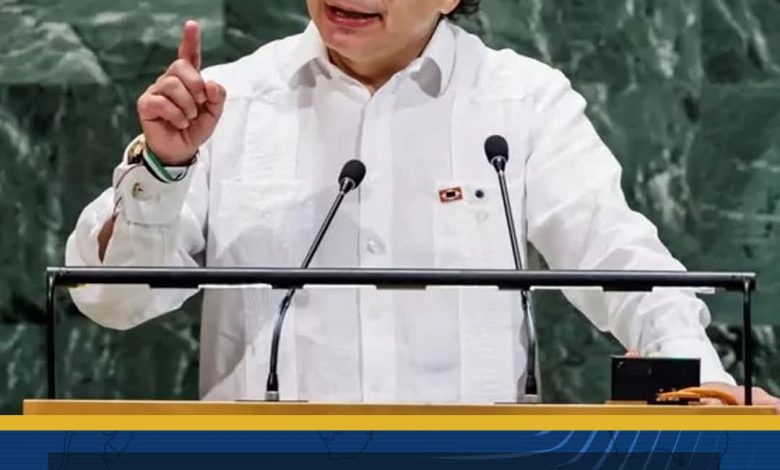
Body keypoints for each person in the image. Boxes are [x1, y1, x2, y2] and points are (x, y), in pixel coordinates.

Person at [66, 0, 778, 406]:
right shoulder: (230, 100)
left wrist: (706, 385)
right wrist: (163, 168)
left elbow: (620, 261)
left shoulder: (522, 102)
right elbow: (111, 301)